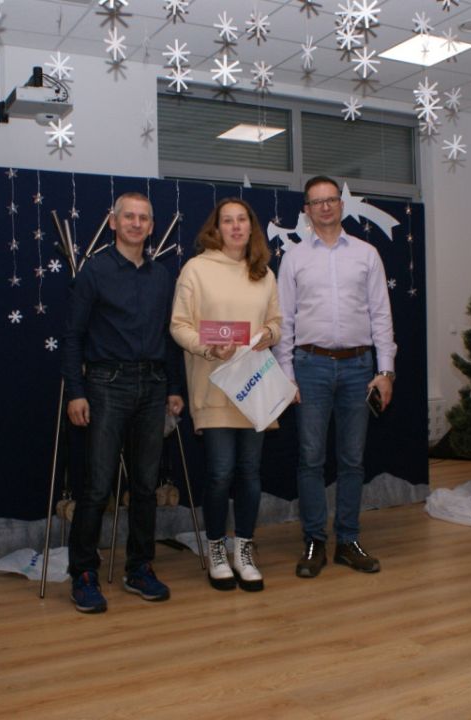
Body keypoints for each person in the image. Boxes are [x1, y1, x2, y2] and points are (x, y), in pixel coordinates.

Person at [61, 191, 184, 613]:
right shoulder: (94, 271)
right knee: (97, 487)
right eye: (128, 216)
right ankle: (83, 573)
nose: (136, 223)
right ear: (113, 222)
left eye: (143, 218)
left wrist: (174, 387)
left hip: (153, 386)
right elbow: (73, 337)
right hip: (105, 385)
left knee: (145, 487)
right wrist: (76, 392)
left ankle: (140, 568)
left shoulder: (161, 276)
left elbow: (169, 336)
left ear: (152, 226)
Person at [275, 175, 397, 578]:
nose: (325, 207)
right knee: (310, 459)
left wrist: (385, 371)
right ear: (306, 211)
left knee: (352, 460)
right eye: (317, 202)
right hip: (309, 367)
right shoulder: (294, 258)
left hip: (359, 369)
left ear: (341, 205)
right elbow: (284, 320)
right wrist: (286, 373)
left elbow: (381, 315)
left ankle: (347, 540)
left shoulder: (367, 254)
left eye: (331, 200)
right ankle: (314, 541)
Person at [170, 198, 282, 592]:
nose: (235, 227)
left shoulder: (263, 272)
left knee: (250, 472)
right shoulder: (196, 269)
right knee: (220, 472)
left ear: (251, 227)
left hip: (253, 389)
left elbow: (277, 323)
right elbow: (179, 326)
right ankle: (217, 549)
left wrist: (268, 334)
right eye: (227, 221)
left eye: (242, 220)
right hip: (214, 386)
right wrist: (208, 348)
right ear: (215, 228)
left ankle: (244, 550)